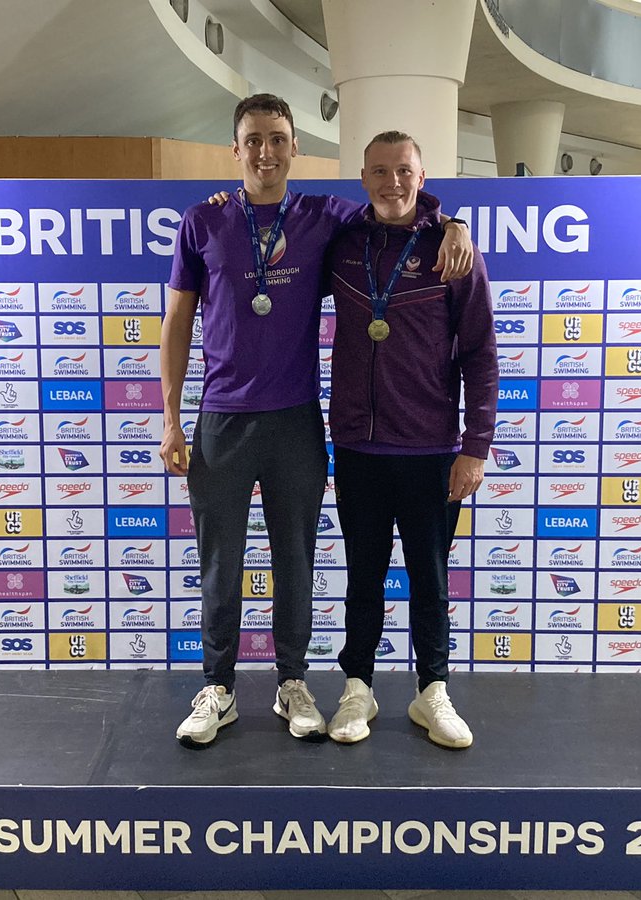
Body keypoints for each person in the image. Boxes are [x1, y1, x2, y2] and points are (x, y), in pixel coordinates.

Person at [161, 95, 471, 747]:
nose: (265, 152)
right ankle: (217, 688)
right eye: (253, 140)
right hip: (220, 419)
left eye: (277, 138)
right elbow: (177, 322)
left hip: (296, 421)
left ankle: (291, 683)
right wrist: (170, 416)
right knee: (220, 562)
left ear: (296, 147)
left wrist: (452, 222)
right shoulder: (203, 222)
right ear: (236, 148)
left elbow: (400, 208)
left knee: (294, 560)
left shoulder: (325, 217)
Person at [325, 131, 498, 749]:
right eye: (379, 172)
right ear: (362, 179)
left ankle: (433, 691)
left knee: (430, 578)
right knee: (362, 576)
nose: (392, 183)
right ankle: (357, 688)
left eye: (403, 171)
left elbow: (480, 354)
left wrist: (475, 446)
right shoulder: (340, 244)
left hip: (429, 450)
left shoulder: (454, 253)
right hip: (356, 447)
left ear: (422, 178)